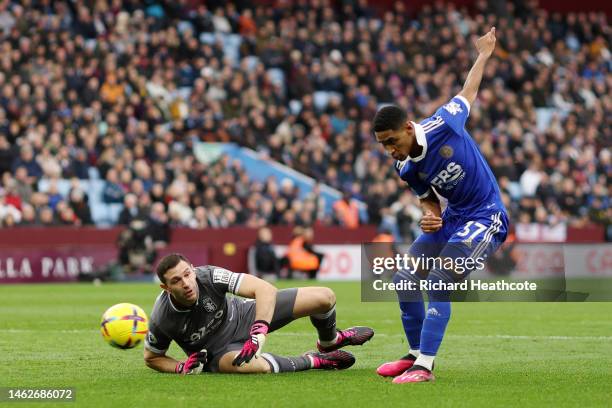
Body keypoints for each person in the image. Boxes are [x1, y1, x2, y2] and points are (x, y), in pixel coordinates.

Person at [372, 28, 508, 383]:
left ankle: (425, 367)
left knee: (440, 277)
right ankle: (416, 354)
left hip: (486, 217)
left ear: (407, 127)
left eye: (391, 141)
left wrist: (484, 54)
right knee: (404, 278)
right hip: (453, 219)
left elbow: (468, 91)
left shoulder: (443, 124)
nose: (389, 151)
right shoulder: (404, 165)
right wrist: (430, 216)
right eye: (383, 146)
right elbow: (427, 199)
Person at [144, 253, 374, 375]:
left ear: (193, 269)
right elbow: (152, 357)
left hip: (244, 314)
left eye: (187, 274)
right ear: (166, 288)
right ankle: (316, 360)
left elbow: (263, 288)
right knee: (254, 367)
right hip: (218, 352)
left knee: (324, 297)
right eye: (176, 280)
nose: (186, 283)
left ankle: (329, 342)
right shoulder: (161, 317)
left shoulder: (210, 275)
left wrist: (259, 329)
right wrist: (180, 367)